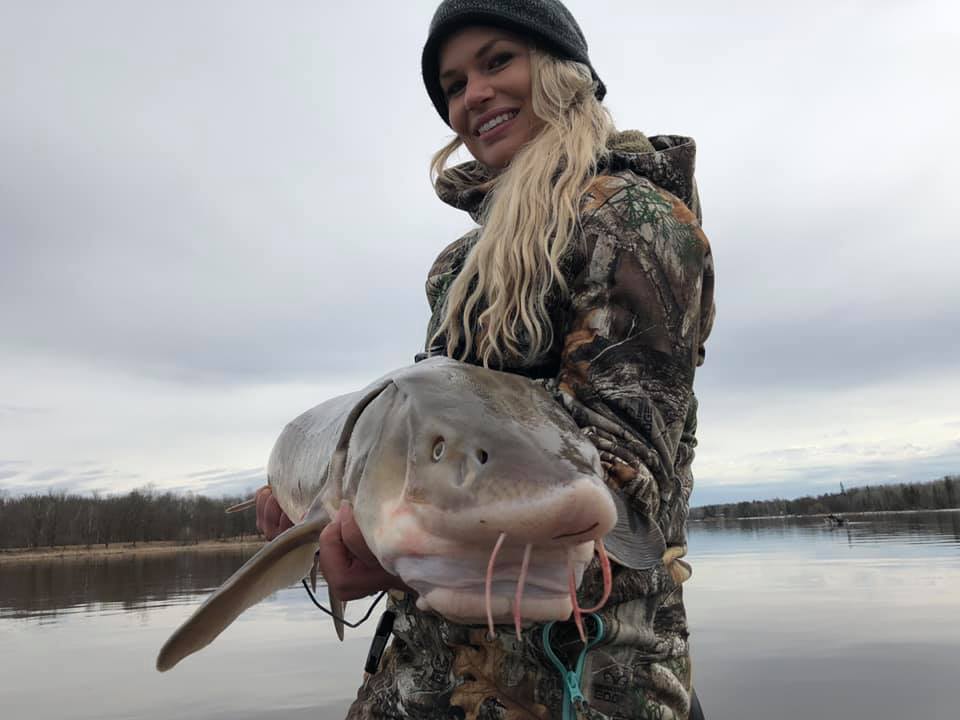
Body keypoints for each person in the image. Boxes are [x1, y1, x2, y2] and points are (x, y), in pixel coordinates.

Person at [260, 1, 714, 717]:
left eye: (497, 60)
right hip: (425, 674)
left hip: (583, 681)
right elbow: (430, 435)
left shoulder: (633, 220)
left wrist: (393, 551)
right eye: (451, 84)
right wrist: (330, 510)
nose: (472, 94)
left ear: (564, 70)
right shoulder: (462, 266)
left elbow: (626, 499)